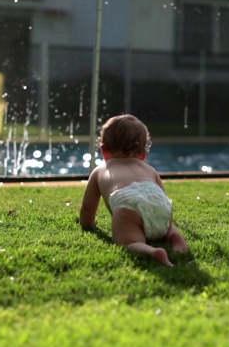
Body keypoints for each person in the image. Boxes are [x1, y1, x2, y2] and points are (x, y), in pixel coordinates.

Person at [79, 114, 190, 267]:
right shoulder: (150, 169)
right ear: (143, 154)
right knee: (168, 225)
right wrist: (167, 221)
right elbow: (163, 198)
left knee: (126, 241)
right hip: (159, 203)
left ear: (104, 151)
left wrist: (87, 224)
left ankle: (150, 251)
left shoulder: (100, 171)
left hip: (129, 203)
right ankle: (174, 237)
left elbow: (88, 207)